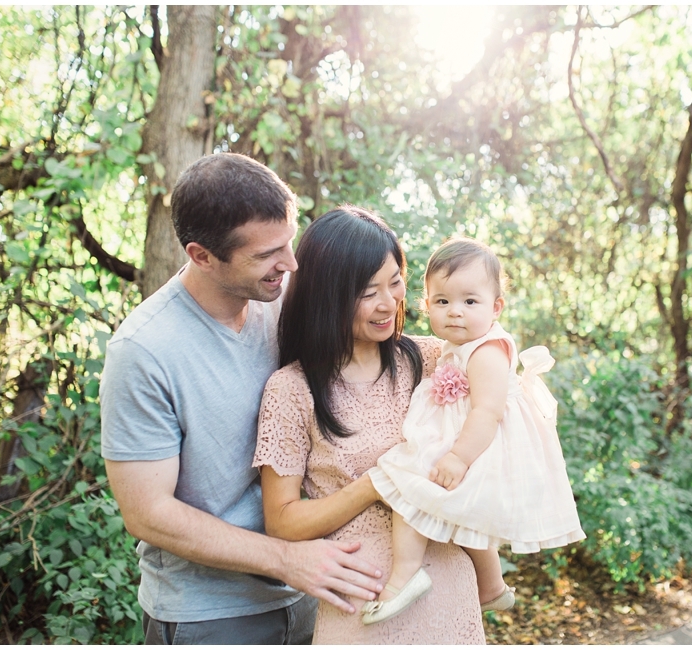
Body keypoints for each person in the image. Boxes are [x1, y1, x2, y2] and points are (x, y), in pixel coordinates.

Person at [100, 154, 385, 645]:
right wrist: (285, 559)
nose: (291, 264)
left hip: (315, 588)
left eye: (289, 242)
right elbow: (146, 512)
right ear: (202, 255)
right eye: (266, 254)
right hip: (211, 614)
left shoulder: (284, 294)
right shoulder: (144, 351)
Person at [253, 206, 486, 644]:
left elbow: (498, 405)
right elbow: (281, 521)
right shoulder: (291, 390)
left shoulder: (434, 360)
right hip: (361, 603)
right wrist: (374, 485)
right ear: (328, 296)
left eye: (395, 282)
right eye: (366, 292)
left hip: (451, 590)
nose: (388, 304)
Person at [362, 237, 586, 625]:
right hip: (469, 436)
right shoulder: (457, 345)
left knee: (412, 487)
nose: (455, 313)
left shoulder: (486, 351)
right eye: (443, 302)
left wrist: (458, 456)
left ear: (495, 307)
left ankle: (406, 574)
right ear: (426, 305)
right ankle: (493, 587)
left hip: (483, 443)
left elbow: (487, 412)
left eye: (470, 301)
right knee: (466, 514)